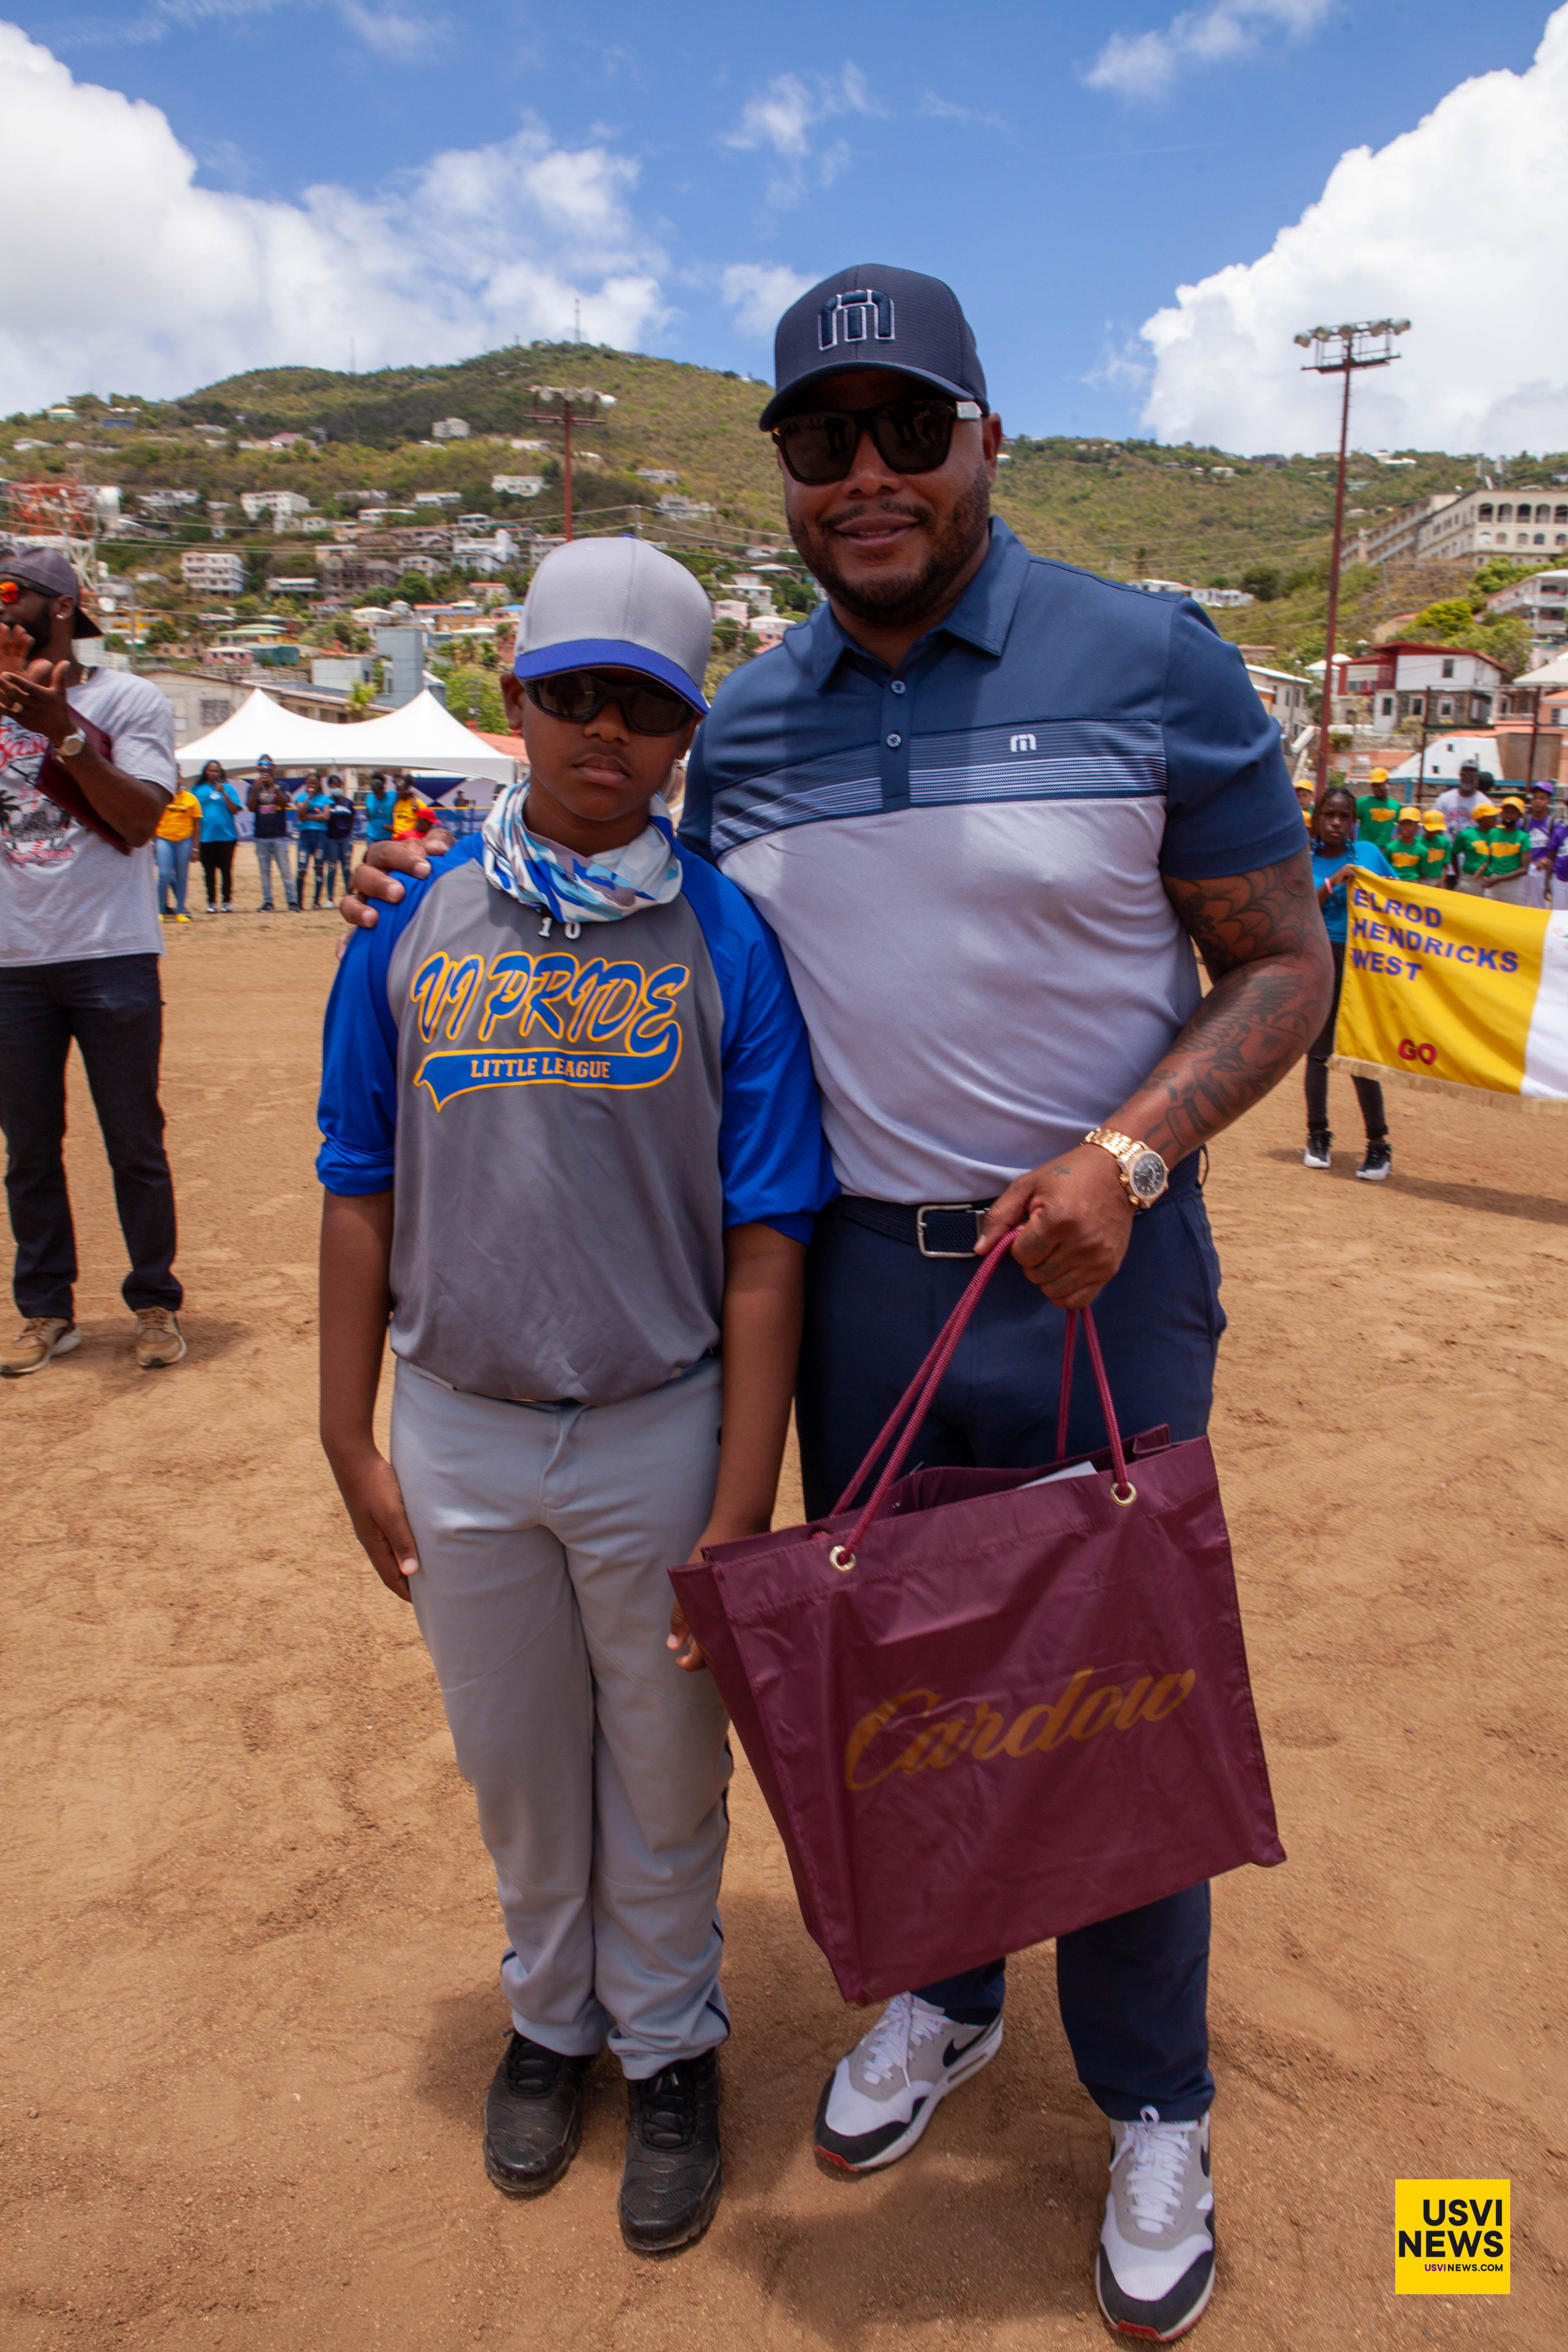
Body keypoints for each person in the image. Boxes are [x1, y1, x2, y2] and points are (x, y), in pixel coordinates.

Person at [343, 264, 1333, 2343]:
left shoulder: (1147, 657)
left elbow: (1279, 965)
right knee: (903, 1688)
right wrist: (417, 874)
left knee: (1111, 1678)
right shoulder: (756, 721)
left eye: (905, 430)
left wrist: (1129, 1154)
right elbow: (608, 857)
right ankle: (951, 2005)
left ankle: (1155, 2093)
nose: (863, 475)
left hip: (1095, 1278)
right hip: (860, 1296)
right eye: (819, 441)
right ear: (782, 475)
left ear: (987, 438)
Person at [316, 537, 833, 2256]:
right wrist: (343, 1430)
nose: (602, 734)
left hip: (659, 1427)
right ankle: (555, 2022)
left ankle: (674, 2041)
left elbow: (767, 1240)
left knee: (670, 1763)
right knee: (519, 1762)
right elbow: (358, 1181)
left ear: (686, 731)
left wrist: (738, 1505)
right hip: (458, 1422)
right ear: (514, 699)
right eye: (568, 695)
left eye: (647, 706)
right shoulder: (408, 920)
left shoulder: (725, 939)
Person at [0, 546, 187, 1374]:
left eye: (12, 594)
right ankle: (47, 1311)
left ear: (63, 608)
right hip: (12, 962)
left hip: (111, 953)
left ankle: (153, 1302)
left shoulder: (128, 699)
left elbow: (144, 818)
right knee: (30, 1147)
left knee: (132, 1138)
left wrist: (61, 735)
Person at [1303, 786, 1396, 1179]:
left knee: (1360, 1052)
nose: (1336, 823)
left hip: (1361, 963)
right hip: (1320, 960)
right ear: (1318, 818)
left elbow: (1401, 900)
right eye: (1329, 815)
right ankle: (1318, 1135)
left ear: (1354, 821)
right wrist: (1332, 884)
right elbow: (1296, 905)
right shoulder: (1299, 858)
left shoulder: (1372, 855)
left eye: (1344, 816)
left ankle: (1378, 1145)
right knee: (1319, 1053)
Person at [191, 759, 240, 913]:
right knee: (209, 872)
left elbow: (235, 810)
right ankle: (212, 903)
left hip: (227, 837)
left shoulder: (229, 789)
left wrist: (224, 794)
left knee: (226, 871)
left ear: (221, 773)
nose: (214, 773)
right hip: (206, 838)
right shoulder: (197, 790)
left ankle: (227, 902)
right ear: (206, 772)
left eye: (217, 771)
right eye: (211, 770)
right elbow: (192, 813)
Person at [248, 761, 297, 911]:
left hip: (279, 835)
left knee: (285, 870)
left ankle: (292, 901)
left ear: (273, 768)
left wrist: (274, 787)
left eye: (268, 766)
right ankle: (268, 902)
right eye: (262, 767)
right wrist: (256, 789)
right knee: (264, 872)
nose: (265, 770)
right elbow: (251, 807)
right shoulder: (253, 787)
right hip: (261, 835)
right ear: (258, 769)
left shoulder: (282, 786)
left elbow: (284, 804)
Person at [154, 779, 201, 923]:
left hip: (184, 840)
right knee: (164, 875)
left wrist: (195, 848)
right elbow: (153, 819)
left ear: (181, 779)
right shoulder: (161, 797)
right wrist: (152, 842)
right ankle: (160, 910)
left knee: (182, 876)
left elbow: (197, 825)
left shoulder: (191, 799)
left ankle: (181, 911)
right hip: (164, 838)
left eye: (177, 777)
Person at [294, 771, 332, 907]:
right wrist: (308, 799)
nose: (312, 786)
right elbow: (300, 813)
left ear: (319, 784)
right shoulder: (301, 797)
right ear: (306, 784)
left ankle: (316, 901)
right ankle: (299, 901)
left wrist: (308, 817)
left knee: (319, 868)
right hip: (305, 837)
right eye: (310, 783)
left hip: (321, 837)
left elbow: (326, 817)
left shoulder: (325, 799)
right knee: (302, 869)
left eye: (315, 783)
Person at [1484, 796, 1532, 904]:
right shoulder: (1493, 834)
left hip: (1513, 885)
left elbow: (1524, 869)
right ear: (1502, 813)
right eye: (1506, 812)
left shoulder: (1523, 837)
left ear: (1519, 816)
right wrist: (1485, 874)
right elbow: (1489, 860)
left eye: (1513, 813)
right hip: (1493, 882)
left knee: (1512, 917)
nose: (1509, 816)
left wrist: (1498, 879)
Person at [320, 774, 355, 905]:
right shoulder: (327, 803)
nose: (336, 788)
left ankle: (350, 896)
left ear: (342, 786)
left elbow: (352, 820)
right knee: (332, 870)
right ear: (330, 787)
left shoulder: (348, 803)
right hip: (332, 840)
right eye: (333, 786)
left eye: (338, 785)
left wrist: (348, 835)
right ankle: (330, 899)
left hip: (346, 839)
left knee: (347, 869)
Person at [1452, 799, 1498, 894]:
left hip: (1491, 880)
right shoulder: (1466, 835)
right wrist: (1458, 875)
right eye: (1491, 817)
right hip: (1470, 880)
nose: (1495, 818)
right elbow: (1454, 853)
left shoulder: (1498, 835)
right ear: (1481, 819)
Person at [1354, 767, 1401, 851]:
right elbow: (1349, 820)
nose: (1376, 789)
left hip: (1385, 850)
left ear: (1388, 783)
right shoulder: (1363, 803)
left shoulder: (1396, 806)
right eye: (1374, 786)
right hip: (1365, 848)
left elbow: (1404, 826)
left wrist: (1395, 843)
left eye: (1379, 785)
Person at [1526, 783, 1556, 908]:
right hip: (1525, 868)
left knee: (1539, 906)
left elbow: (1556, 849)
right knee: (1520, 905)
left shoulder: (1552, 823)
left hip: (1541, 870)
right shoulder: (1524, 821)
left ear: (1548, 801)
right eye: (1536, 798)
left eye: (1542, 798)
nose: (1538, 801)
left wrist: (1547, 861)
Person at [1435, 758, 1484, 835]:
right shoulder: (1444, 799)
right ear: (1460, 775)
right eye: (1465, 773)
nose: (1468, 777)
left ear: (1478, 777)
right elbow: (1434, 825)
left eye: (1472, 774)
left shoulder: (1485, 803)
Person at [1384, 806, 1425, 884]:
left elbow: (1423, 873)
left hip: (1413, 884)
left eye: (1410, 824)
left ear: (1417, 827)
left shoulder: (1422, 850)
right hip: (1394, 882)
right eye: (1403, 824)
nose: (1406, 827)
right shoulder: (1390, 847)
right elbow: (1386, 867)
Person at [1420, 806, 1451, 887]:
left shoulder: (1444, 842)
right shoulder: (1417, 842)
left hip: (1438, 880)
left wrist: (1441, 882)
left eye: (1436, 830)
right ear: (1424, 827)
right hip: (1421, 880)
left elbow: (1445, 865)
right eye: (1431, 829)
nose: (1434, 832)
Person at [363, 771, 396, 843]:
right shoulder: (369, 798)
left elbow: (409, 795)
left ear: (384, 788)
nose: (379, 796)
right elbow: (368, 815)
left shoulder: (393, 796)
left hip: (388, 838)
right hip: (372, 836)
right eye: (376, 794)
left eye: (380, 794)